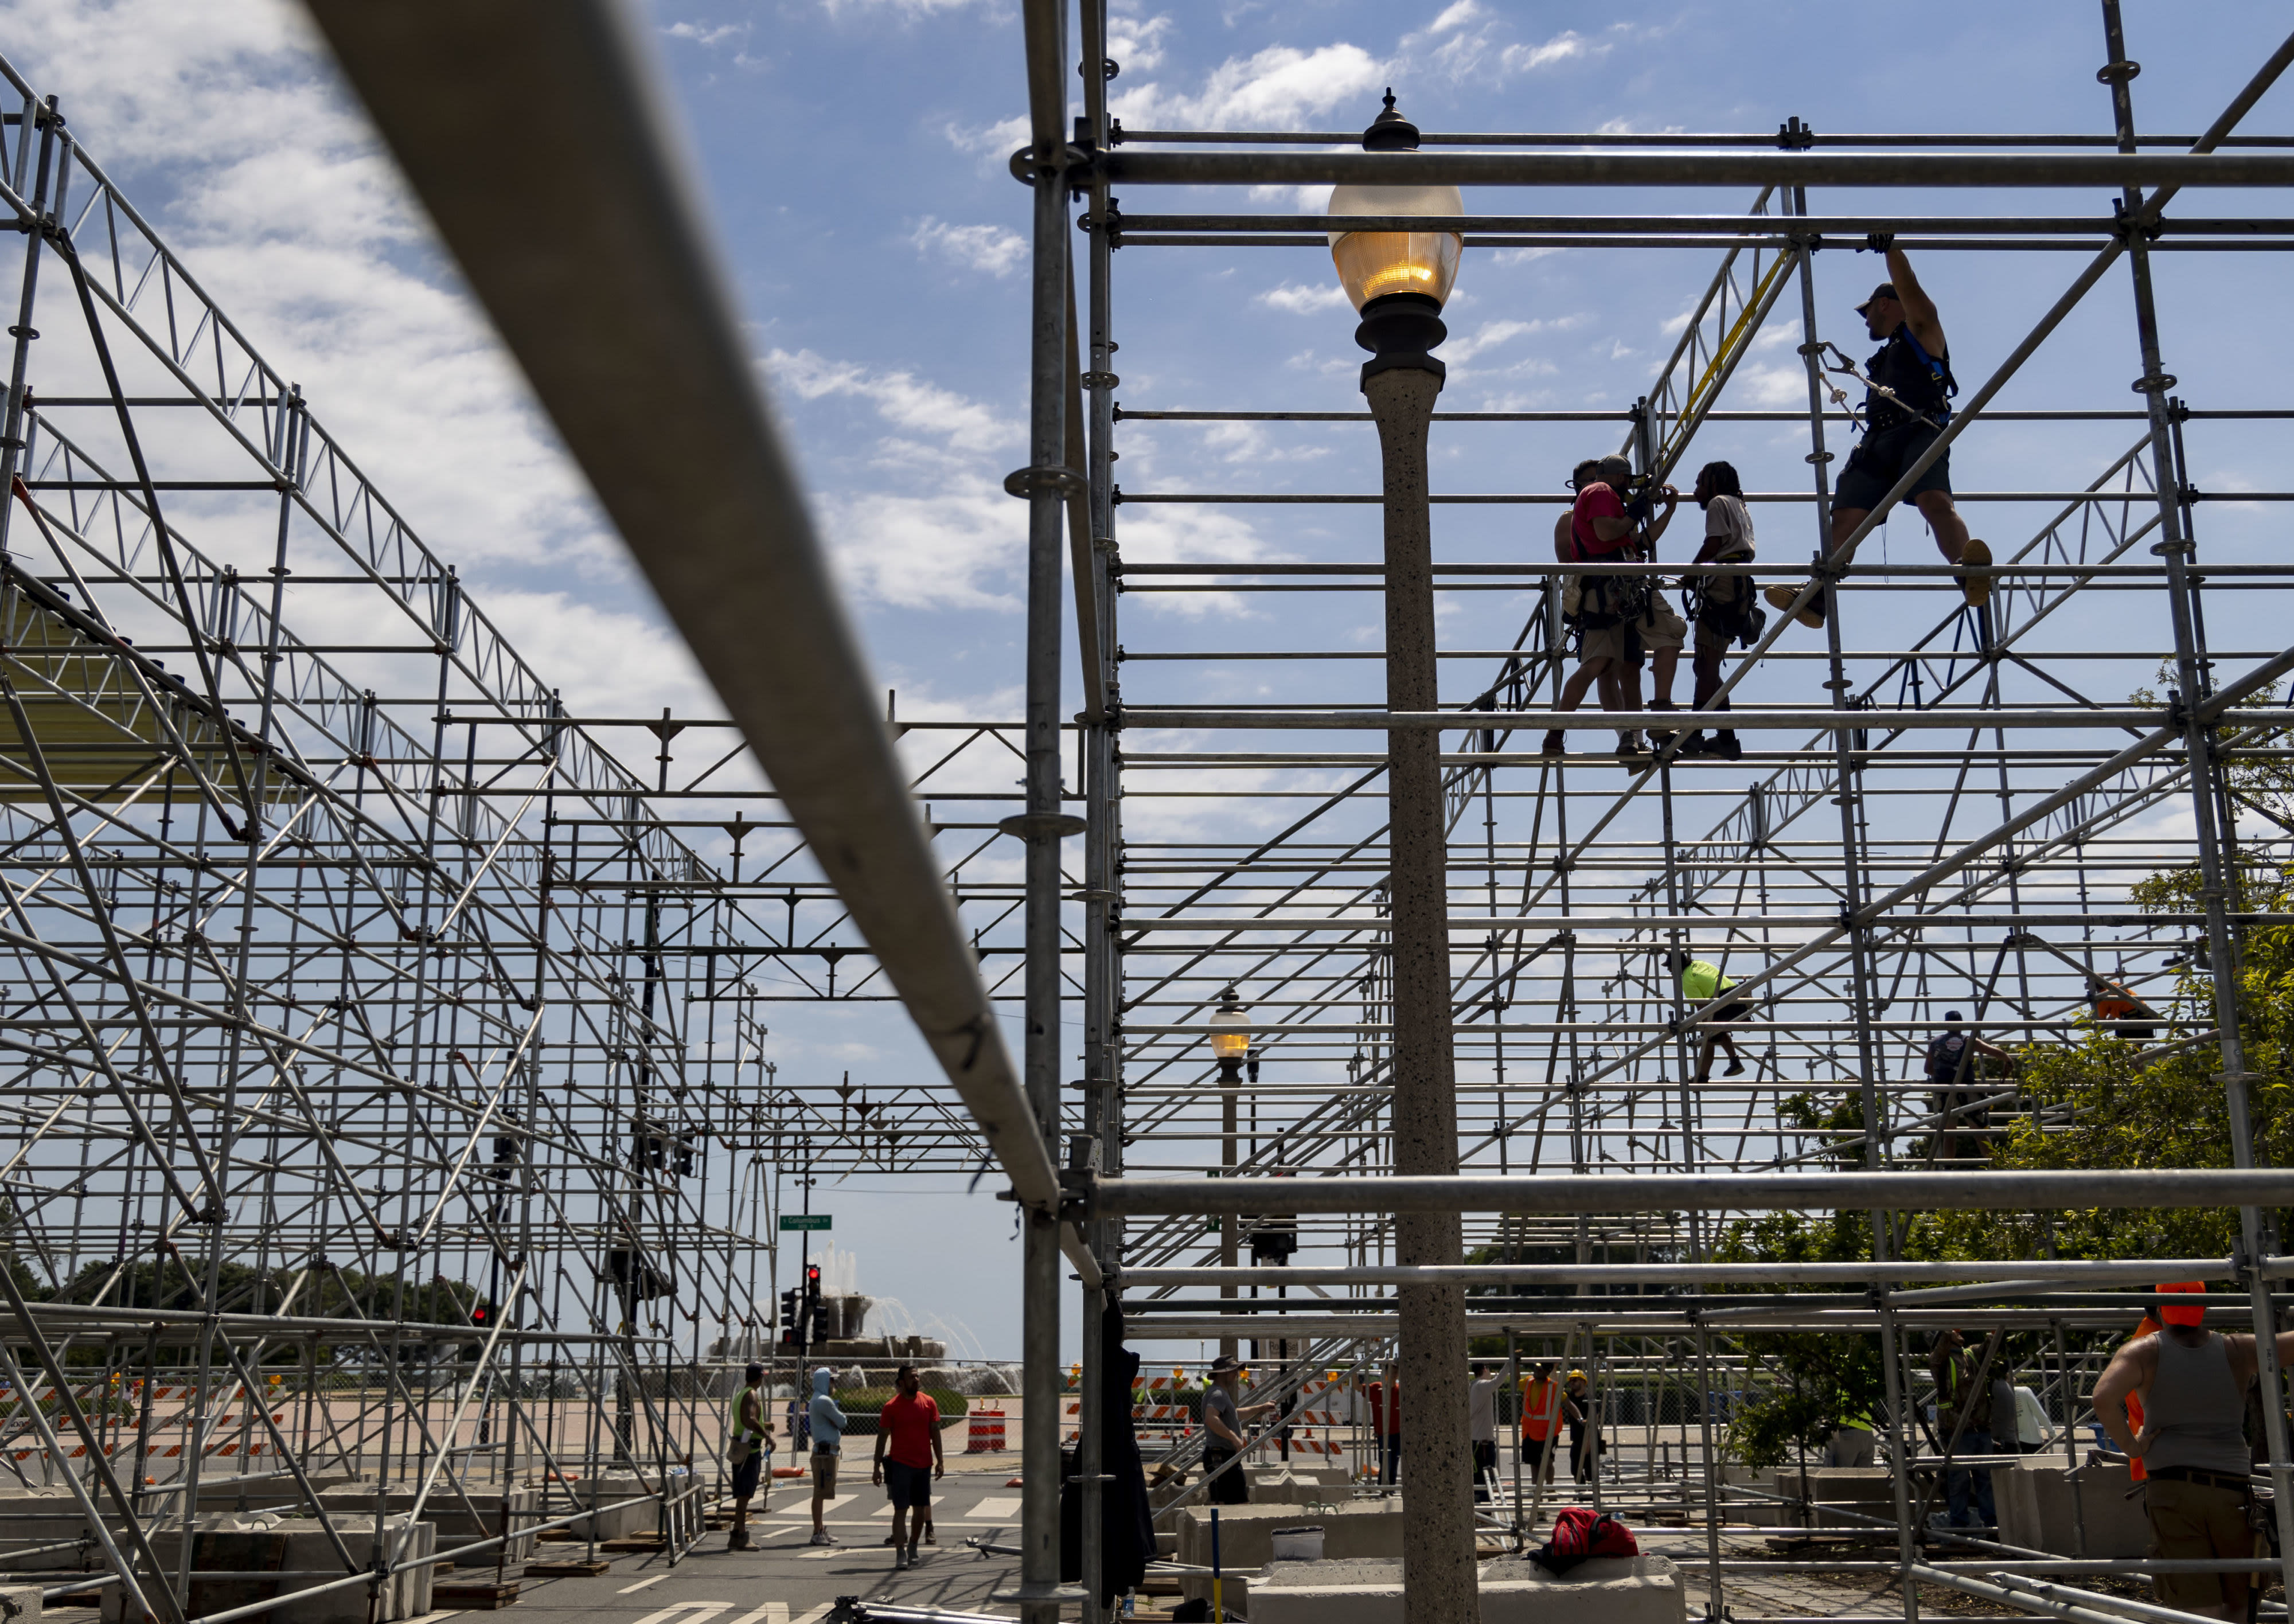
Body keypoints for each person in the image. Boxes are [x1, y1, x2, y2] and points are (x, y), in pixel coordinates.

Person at [1766, 240, 1989, 633]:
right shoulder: (1886, 355)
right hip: (1878, 442)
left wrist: (1890, 248)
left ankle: (1969, 574)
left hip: (1919, 431)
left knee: (1934, 502)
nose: (1865, 320)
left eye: (1867, 312)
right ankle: (1817, 598)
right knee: (1845, 520)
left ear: (1885, 304)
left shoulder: (1924, 333)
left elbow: (1911, 287)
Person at [2094, 1282, 2292, 1623]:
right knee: (2241, 1595)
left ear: (2159, 1309)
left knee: (2196, 1599)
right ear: (2204, 1306)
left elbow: (2102, 1398)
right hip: (2232, 1494)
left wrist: (2133, 1447)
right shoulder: (2238, 1350)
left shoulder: (2142, 1352)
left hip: (2172, 1491)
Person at [1544, 455, 1682, 758]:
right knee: (1601, 666)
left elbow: (1638, 541)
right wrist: (1635, 509)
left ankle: (1634, 736)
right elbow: (1586, 551)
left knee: (1629, 667)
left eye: (1599, 477)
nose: (1596, 484)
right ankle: (1604, 732)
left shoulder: (1610, 506)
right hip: (1602, 591)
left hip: (1624, 590)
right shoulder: (1583, 508)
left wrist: (1666, 511)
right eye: (1591, 480)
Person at [1676, 460, 1757, 760]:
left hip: (1722, 581)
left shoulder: (1718, 503)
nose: (1696, 490)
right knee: (1704, 665)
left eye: (1700, 483)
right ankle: (1726, 737)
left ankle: (1695, 732)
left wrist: (1691, 572)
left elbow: (1714, 542)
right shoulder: (1739, 504)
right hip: (1738, 584)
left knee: (1706, 664)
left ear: (1714, 482)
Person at [872, 1363, 944, 1571]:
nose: (916, 1380)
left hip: (924, 1465)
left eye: (918, 1376)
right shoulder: (891, 1407)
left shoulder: (929, 1403)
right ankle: (900, 1552)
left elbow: (935, 1433)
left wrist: (941, 1461)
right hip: (900, 1465)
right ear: (902, 1383)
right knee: (900, 1509)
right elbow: (882, 1438)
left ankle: (913, 1544)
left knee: (921, 1511)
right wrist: (876, 1467)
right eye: (912, 1377)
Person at [1928, 1329, 1996, 1529]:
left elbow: (1988, 1348)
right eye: (1952, 1332)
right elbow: (1939, 1350)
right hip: (1957, 1430)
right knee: (1959, 1481)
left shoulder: (1970, 1354)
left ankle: (1991, 1525)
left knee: (1985, 1480)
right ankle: (1959, 1525)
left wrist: (1992, 1335)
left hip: (1980, 1428)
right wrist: (1945, 1331)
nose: (1957, 1332)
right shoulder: (1940, 1361)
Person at [1925, 1011, 2014, 1163]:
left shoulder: (1935, 1043)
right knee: (1979, 1131)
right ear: (1962, 1023)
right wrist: (2008, 1060)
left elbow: (1928, 1069)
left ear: (1946, 1024)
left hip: (1944, 1091)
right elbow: (1996, 1053)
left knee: (1949, 1133)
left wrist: (1943, 1071)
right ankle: (1996, 1165)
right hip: (1967, 1090)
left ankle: (1948, 1168)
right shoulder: (1968, 1041)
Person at [1202, 1354, 1277, 1505]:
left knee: (1223, 1503)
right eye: (1233, 1370)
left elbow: (1235, 1414)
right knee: (1237, 1505)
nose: (1237, 1374)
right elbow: (1211, 1418)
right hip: (1222, 1456)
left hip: (1221, 1456)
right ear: (1224, 1373)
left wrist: (1261, 1408)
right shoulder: (1218, 1394)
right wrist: (1234, 1438)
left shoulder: (1219, 1393)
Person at [1671, 951, 1750, 1082]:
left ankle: (1703, 1076)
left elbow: (1701, 1007)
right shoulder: (1699, 964)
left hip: (1721, 1002)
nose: (1669, 970)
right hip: (1735, 995)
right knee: (1715, 1035)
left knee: (1708, 1036)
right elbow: (1678, 955)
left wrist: (1704, 1026)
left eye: (1670, 967)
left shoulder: (1687, 979)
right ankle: (1733, 1062)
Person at [726, 1362, 774, 1549]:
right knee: (744, 1496)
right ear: (759, 1377)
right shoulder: (752, 1394)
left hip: (740, 1447)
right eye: (763, 1376)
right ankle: (741, 1536)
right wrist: (768, 1437)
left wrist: (765, 1425)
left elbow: (747, 1419)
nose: (763, 1380)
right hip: (750, 1450)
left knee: (741, 1495)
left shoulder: (741, 1394)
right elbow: (750, 1419)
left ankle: (737, 1535)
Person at [807, 1365, 848, 1546]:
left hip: (825, 1451)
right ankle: (817, 1532)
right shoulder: (824, 1401)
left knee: (822, 1492)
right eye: (832, 1380)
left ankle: (821, 1529)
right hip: (825, 1454)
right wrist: (836, 1420)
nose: (834, 1383)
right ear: (825, 1381)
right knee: (820, 1492)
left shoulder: (817, 1399)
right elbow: (842, 1421)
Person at [1518, 1361, 1574, 1485]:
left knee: (1548, 1463)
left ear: (1547, 1372)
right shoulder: (1528, 1382)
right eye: (1536, 1368)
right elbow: (1516, 1382)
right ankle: (1537, 1496)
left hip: (1549, 1434)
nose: (1537, 1371)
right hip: (1530, 1433)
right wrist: (1516, 1364)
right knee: (1535, 1465)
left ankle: (1550, 1491)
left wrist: (1581, 1419)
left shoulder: (1553, 1387)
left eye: (1540, 1369)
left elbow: (1569, 1404)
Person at [1468, 1363, 1503, 1503]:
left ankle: (1481, 1507)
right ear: (1485, 1370)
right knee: (1486, 1476)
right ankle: (1486, 1509)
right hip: (1483, 1442)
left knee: (1479, 1476)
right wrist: (1509, 1364)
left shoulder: (1473, 1386)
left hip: (1477, 1440)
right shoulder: (1482, 1385)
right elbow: (1498, 1382)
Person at [2091, 974, 2162, 1042]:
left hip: (2132, 1023)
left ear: (2093, 985)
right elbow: (2118, 1009)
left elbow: (2101, 1023)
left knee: (2120, 1043)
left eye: (2088, 983)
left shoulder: (2102, 999)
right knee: (2137, 1048)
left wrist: (2091, 1023)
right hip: (2147, 1020)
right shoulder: (2115, 986)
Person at [1367, 1363, 1402, 1485]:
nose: (1394, 1375)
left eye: (1396, 1372)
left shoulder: (1400, 1391)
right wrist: (1354, 1368)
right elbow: (1357, 1387)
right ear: (1386, 1373)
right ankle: (1383, 1488)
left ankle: (1390, 1489)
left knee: (1394, 1464)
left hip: (1398, 1433)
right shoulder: (1377, 1388)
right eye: (1392, 1372)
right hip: (1383, 1433)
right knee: (1385, 1463)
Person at [1564, 1369, 1599, 1483]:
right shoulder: (1570, 1398)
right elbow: (1557, 1387)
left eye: (1575, 1380)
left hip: (1591, 1440)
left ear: (1584, 1382)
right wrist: (1554, 1368)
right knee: (1575, 1470)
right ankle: (1582, 1494)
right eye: (1570, 1381)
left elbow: (1594, 1421)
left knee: (1590, 1472)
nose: (1572, 1383)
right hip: (1577, 1440)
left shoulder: (1590, 1399)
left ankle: (1592, 1496)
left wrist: (1588, 1444)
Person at [1824, 1399, 1876, 1469]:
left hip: (1845, 1432)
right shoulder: (1867, 1389)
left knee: (1838, 1475)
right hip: (1867, 1433)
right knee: (1864, 1476)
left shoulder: (1838, 1389)